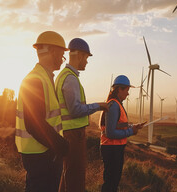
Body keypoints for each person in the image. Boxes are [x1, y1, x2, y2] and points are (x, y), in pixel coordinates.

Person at [15, 31, 69, 192]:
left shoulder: (44, 78)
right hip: (41, 155)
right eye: (61, 54)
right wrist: (60, 145)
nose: (62, 59)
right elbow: (34, 124)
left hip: (45, 153)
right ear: (52, 51)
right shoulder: (35, 80)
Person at [55, 38, 109, 192]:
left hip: (67, 133)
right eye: (86, 57)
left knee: (67, 176)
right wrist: (99, 106)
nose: (86, 61)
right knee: (75, 178)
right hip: (73, 135)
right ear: (78, 55)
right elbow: (75, 110)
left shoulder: (63, 76)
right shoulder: (70, 78)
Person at [99, 75, 146, 192]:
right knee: (111, 183)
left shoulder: (116, 104)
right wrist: (131, 131)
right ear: (119, 89)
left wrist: (133, 126)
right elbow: (110, 133)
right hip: (112, 149)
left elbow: (118, 125)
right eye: (127, 90)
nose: (128, 94)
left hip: (114, 148)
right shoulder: (114, 105)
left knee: (113, 182)